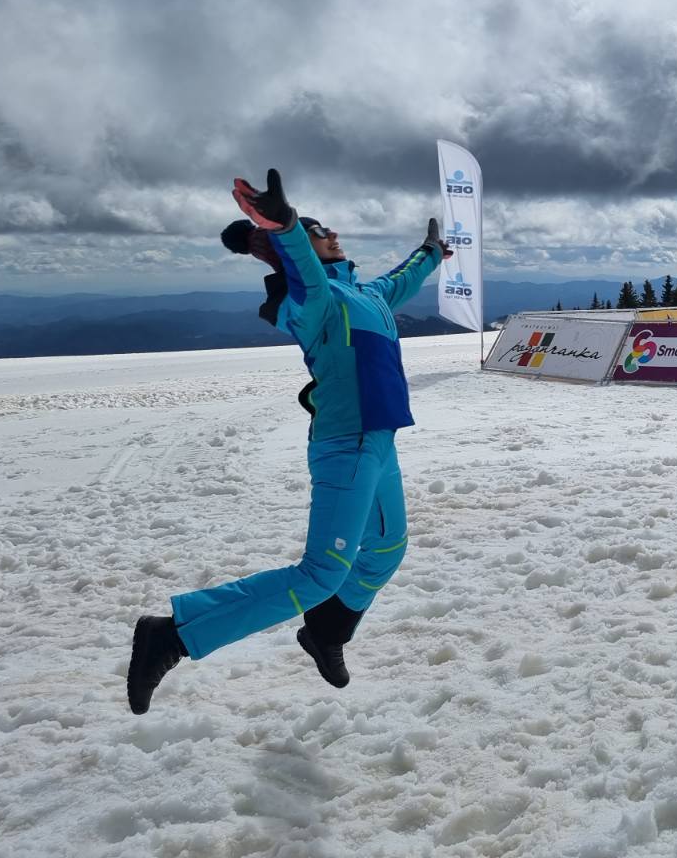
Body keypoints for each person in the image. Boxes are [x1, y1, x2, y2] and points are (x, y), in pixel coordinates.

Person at [127, 168, 451, 713]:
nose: (335, 237)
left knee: (386, 549)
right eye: (324, 233)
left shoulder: (365, 294)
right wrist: (285, 227)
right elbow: (302, 267)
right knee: (323, 571)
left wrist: (431, 252)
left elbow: (401, 280)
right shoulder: (314, 303)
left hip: (378, 440)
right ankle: (173, 634)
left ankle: (325, 633)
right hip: (345, 444)